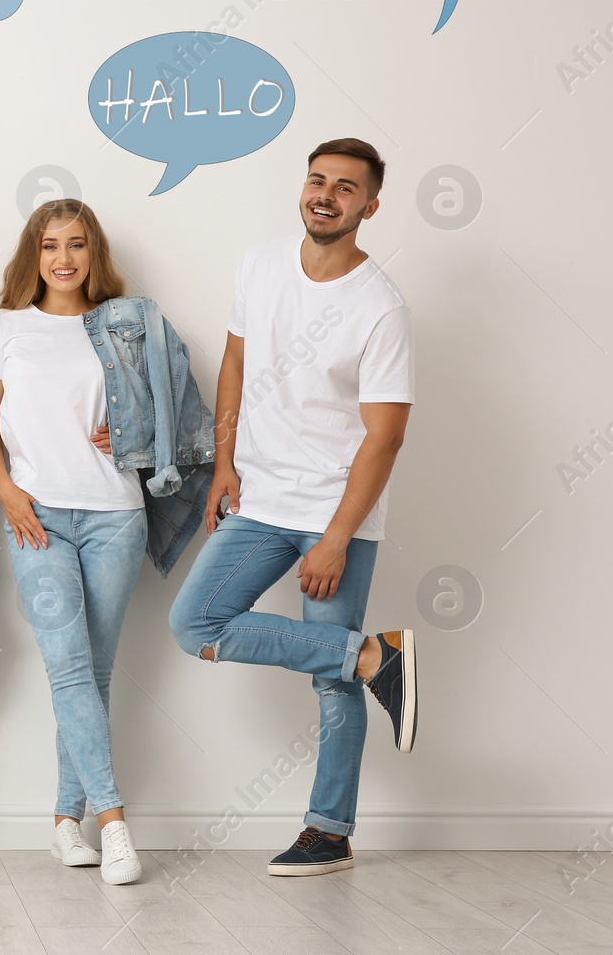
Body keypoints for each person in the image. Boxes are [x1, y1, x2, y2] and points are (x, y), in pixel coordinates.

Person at [168, 137, 418, 877]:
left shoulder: (382, 308)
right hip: (258, 496)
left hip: (336, 509)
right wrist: (224, 464)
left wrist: (338, 536)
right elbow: (237, 362)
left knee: (329, 680)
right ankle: (377, 654)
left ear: (369, 207)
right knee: (194, 621)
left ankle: (329, 831)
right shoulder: (261, 263)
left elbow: (387, 434)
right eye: (317, 180)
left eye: (345, 188)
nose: (326, 195)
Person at [0, 199, 214, 885]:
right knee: (69, 666)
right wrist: (8, 491)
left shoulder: (127, 323)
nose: (63, 257)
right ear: (34, 253)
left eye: (76, 244)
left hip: (115, 511)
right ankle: (113, 823)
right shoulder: (5, 327)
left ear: (93, 252)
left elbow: (172, 407)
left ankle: (62, 820)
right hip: (36, 517)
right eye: (50, 244)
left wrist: (134, 434)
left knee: (93, 672)